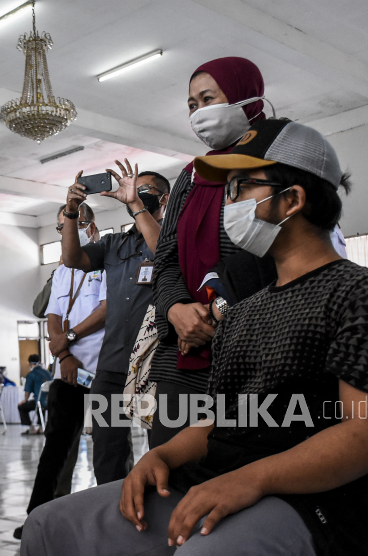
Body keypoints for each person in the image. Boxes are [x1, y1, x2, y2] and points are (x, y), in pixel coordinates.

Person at [22, 118, 368, 556]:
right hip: (216, 478)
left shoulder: (366, 299)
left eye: (241, 188)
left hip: (313, 503)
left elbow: (366, 438)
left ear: (292, 199)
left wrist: (250, 479)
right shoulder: (243, 312)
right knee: (49, 527)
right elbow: (221, 417)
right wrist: (165, 456)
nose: (227, 204)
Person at [149, 57, 277, 449]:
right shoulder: (191, 174)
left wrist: (214, 309)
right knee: (168, 478)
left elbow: (277, 251)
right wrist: (176, 310)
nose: (199, 112)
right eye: (192, 105)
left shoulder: (280, 160)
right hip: (181, 356)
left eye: (209, 98)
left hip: (254, 352)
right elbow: (166, 256)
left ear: (244, 96)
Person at [63, 160, 169, 484]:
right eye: (133, 188)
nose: (135, 192)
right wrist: (71, 212)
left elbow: (164, 253)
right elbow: (72, 259)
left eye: (145, 189)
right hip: (110, 363)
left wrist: (135, 203)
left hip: (155, 361)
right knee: (107, 450)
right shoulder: (113, 244)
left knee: (162, 447)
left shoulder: (171, 236)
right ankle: (113, 515)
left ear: (164, 199)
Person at [13, 203, 107, 540]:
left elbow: (106, 311)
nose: (71, 228)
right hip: (66, 374)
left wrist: (67, 339)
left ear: (92, 226)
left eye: (78, 222)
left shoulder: (107, 260)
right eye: (63, 226)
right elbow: (52, 313)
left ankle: (112, 522)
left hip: (103, 373)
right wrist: (64, 353)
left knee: (110, 450)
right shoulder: (63, 270)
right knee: (55, 451)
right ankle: (37, 519)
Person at [18, 354, 53, 435]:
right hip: (50, 401)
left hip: (40, 402)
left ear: (30, 363)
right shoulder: (48, 373)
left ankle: (31, 428)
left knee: (22, 407)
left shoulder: (31, 374)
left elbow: (27, 390)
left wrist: (25, 400)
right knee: (39, 402)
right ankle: (41, 427)